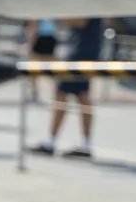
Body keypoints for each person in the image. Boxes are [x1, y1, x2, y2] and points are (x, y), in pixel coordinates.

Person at [29, 18, 102, 158]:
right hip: (81, 49)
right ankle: (83, 142)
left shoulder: (88, 3)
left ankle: (52, 141)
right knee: (80, 96)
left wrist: (57, 16)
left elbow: (81, 21)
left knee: (63, 95)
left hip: (80, 52)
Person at [25, 19, 58, 102]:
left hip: (41, 40)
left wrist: (30, 46)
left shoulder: (36, 14)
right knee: (50, 70)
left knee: (34, 70)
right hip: (49, 40)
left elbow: (33, 28)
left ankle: (35, 93)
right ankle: (56, 93)